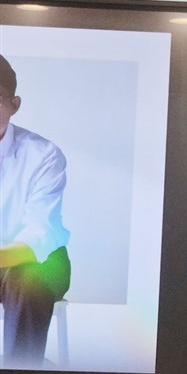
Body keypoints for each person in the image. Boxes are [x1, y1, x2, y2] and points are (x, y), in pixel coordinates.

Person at [0, 54, 71, 369]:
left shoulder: (43, 155)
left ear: (14, 104)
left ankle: (20, 367)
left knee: (27, 278)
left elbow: (38, 235)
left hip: (38, 260)